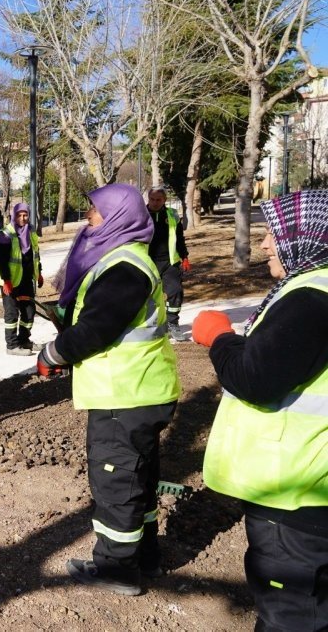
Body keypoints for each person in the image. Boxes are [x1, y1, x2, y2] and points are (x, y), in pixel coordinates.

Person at [191, 189, 328, 631]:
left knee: (293, 617)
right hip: (308, 488)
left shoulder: (311, 299)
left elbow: (254, 377)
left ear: (304, 238)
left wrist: (219, 336)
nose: (266, 243)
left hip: (297, 495)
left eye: (274, 233)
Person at [37, 184, 181, 596]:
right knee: (140, 477)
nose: (88, 217)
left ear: (117, 216)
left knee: (117, 481)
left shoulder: (124, 265)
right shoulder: (123, 259)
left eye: (95, 212)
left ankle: (117, 568)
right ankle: (146, 556)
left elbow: (97, 329)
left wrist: (52, 353)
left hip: (126, 392)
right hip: (140, 388)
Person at [0, 202, 43, 355]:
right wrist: (6, 280)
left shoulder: (31, 232)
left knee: (29, 311)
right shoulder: (5, 234)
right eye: (19, 215)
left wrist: (39, 273)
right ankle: (11, 346)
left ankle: (24, 340)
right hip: (9, 281)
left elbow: (35, 255)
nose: (22, 218)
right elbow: (1, 260)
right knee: (11, 313)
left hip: (26, 279)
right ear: (14, 216)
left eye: (25, 215)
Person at [146, 188, 190, 340]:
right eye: (152, 199)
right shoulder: (141, 215)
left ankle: (173, 324)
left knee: (175, 291)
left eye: (158, 200)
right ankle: (151, 325)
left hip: (169, 261)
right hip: (146, 262)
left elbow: (179, 237)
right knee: (147, 295)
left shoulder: (172, 214)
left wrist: (184, 256)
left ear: (164, 200)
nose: (155, 202)